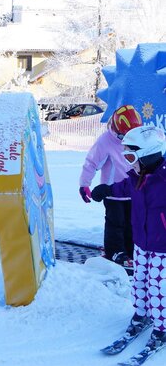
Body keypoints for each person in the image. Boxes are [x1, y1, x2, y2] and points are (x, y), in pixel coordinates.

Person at [92, 125, 166, 349]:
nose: (127, 160)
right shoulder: (137, 176)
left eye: (131, 155)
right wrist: (106, 189)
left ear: (148, 154)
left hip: (163, 246)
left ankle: (162, 327)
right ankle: (142, 314)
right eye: (125, 154)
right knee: (140, 282)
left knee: (158, 286)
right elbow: (124, 187)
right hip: (141, 243)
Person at [79, 105, 142, 266]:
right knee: (116, 223)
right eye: (123, 135)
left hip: (134, 191)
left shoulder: (137, 139)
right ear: (115, 128)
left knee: (132, 223)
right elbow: (91, 162)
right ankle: (115, 251)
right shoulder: (105, 141)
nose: (126, 139)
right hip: (112, 193)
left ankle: (130, 249)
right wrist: (84, 184)